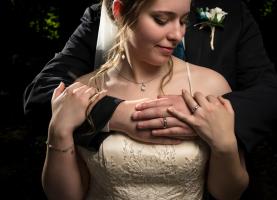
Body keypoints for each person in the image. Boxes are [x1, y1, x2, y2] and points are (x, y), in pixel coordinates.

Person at [42, 0, 249, 199]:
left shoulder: (212, 86)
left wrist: (225, 146)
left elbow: (228, 194)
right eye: (161, 19)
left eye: (183, 20)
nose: (177, 34)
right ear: (120, 12)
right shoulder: (85, 89)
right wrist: (58, 131)